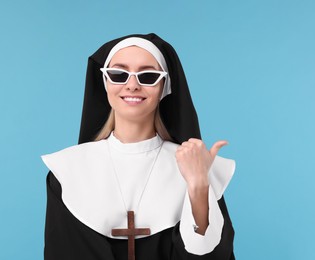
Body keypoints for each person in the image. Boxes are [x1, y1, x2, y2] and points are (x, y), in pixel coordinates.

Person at [41, 33, 235, 260]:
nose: (132, 85)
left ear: (165, 86)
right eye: (118, 74)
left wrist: (199, 186)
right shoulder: (69, 171)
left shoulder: (195, 167)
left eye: (148, 76)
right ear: (105, 83)